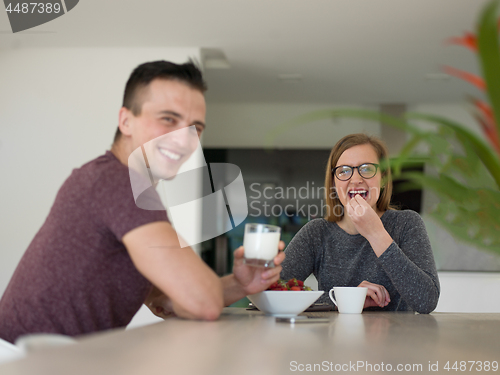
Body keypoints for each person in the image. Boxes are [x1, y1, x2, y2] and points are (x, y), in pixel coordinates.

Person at [0, 60, 284, 344]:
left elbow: (169, 299)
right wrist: (200, 291)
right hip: (23, 363)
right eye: (168, 119)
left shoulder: (125, 185)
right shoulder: (117, 182)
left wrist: (239, 284)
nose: (184, 140)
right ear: (126, 121)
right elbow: (203, 301)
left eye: (195, 128)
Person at [280, 133, 439, 313]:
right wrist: (348, 298)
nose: (356, 180)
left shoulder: (406, 224)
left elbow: (427, 301)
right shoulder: (316, 233)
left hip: (396, 340)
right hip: (334, 340)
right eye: (344, 171)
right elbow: (275, 292)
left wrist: (376, 234)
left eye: (366, 168)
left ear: (384, 177)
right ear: (334, 183)